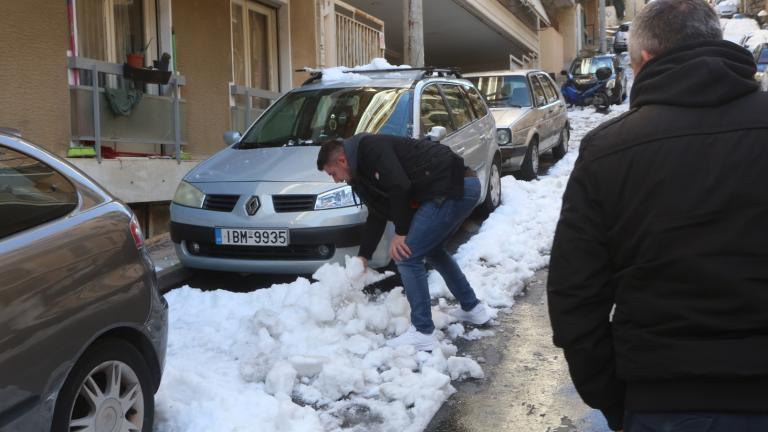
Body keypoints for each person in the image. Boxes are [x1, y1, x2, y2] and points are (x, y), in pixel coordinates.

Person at [547, 0, 768, 431]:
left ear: (645, 59)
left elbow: (575, 296)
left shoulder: (609, 150)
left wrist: (614, 396)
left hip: (660, 401)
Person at [317, 133, 491, 351]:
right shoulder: (359, 175)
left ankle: (422, 332)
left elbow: (400, 184)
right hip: (453, 188)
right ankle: (472, 308)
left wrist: (401, 232)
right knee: (433, 251)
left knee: (406, 256)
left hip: (454, 187)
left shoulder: (370, 148)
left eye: (333, 173)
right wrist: (364, 256)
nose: (336, 180)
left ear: (342, 161)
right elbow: (377, 214)